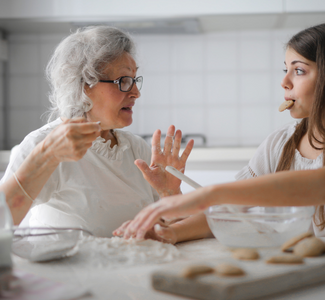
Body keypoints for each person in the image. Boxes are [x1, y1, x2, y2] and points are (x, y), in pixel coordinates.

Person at [115, 22, 325, 241]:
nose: (284, 82)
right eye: (285, 69)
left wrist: (210, 194)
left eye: (298, 71)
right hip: (305, 275)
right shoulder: (281, 142)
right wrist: (172, 232)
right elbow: (235, 209)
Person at [0, 26, 193, 237]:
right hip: (67, 270)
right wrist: (45, 155)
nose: (136, 93)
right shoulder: (43, 144)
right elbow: (3, 221)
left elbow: (170, 230)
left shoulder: (136, 148)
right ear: (84, 85)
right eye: (124, 81)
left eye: (135, 80)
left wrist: (170, 194)